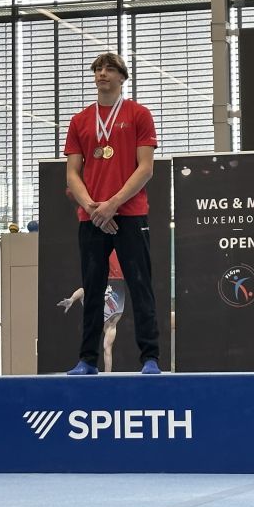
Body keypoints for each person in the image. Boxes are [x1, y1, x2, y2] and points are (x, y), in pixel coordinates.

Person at [63, 52, 161, 375]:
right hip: (91, 218)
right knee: (93, 289)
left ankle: (150, 358)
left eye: (109, 69)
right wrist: (92, 207)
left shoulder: (138, 115)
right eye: (97, 69)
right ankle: (87, 360)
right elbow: (72, 174)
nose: (102, 73)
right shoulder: (79, 121)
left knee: (140, 285)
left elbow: (145, 169)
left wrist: (113, 204)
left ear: (122, 77)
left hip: (129, 214)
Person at [58, 251, 126, 373]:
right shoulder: (111, 327)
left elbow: (82, 291)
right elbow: (107, 351)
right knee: (112, 247)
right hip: (117, 278)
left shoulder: (94, 311)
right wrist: (107, 377)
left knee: (104, 248)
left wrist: (71, 299)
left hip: (108, 278)